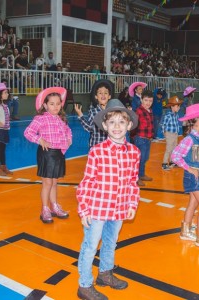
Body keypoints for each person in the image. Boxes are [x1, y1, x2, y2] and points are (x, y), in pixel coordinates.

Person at [76, 99, 140, 300]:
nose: (117, 127)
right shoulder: (97, 151)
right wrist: (84, 209)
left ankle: (104, 273)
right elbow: (87, 182)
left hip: (119, 207)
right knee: (90, 245)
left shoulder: (134, 153)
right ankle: (84, 285)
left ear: (129, 125)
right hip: (97, 208)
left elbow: (132, 181)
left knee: (111, 242)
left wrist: (132, 203)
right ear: (104, 126)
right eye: (112, 122)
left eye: (122, 122)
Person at [171, 103, 199, 249]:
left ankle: (185, 230)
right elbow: (175, 156)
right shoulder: (189, 139)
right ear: (198, 120)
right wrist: (189, 168)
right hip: (194, 177)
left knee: (193, 203)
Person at [24, 87, 72, 223]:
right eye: (52, 104)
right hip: (47, 154)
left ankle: (54, 206)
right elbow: (28, 132)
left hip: (58, 153)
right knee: (47, 183)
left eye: (58, 103)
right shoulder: (40, 118)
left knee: (54, 182)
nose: (56, 106)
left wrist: (69, 139)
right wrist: (39, 140)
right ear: (45, 105)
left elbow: (68, 130)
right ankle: (45, 209)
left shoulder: (61, 118)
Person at [75, 79, 114, 148]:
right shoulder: (93, 111)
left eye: (105, 93)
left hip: (110, 146)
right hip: (96, 146)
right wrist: (81, 115)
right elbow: (90, 128)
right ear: (96, 96)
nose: (103, 95)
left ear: (109, 96)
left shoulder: (113, 111)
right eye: (100, 93)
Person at [134, 90, 154, 186]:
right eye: (146, 100)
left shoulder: (150, 111)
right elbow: (134, 124)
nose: (148, 103)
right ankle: (136, 177)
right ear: (141, 100)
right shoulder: (138, 111)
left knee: (145, 158)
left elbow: (151, 125)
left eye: (150, 101)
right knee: (140, 159)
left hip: (148, 139)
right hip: (140, 138)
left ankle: (141, 174)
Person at [162, 95, 183, 170]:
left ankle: (171, 161)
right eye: (177, 106)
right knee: (168, 148)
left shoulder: (176, 115)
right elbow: (164, 124)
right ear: (172, 107)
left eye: (179, 106)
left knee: (174, 148)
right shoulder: (168, 115)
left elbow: (176, 124)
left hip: (175, 133)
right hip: (169, 133)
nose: (179, 108)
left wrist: (177, 132)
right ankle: (164, 163)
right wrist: (165, 133)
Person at [0, 82, 13, 176]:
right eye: (5, 93)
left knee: (2, 149)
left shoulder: (6, 106)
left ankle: (3, 166)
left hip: (5, 130)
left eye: (7, 92)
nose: (7, 94)